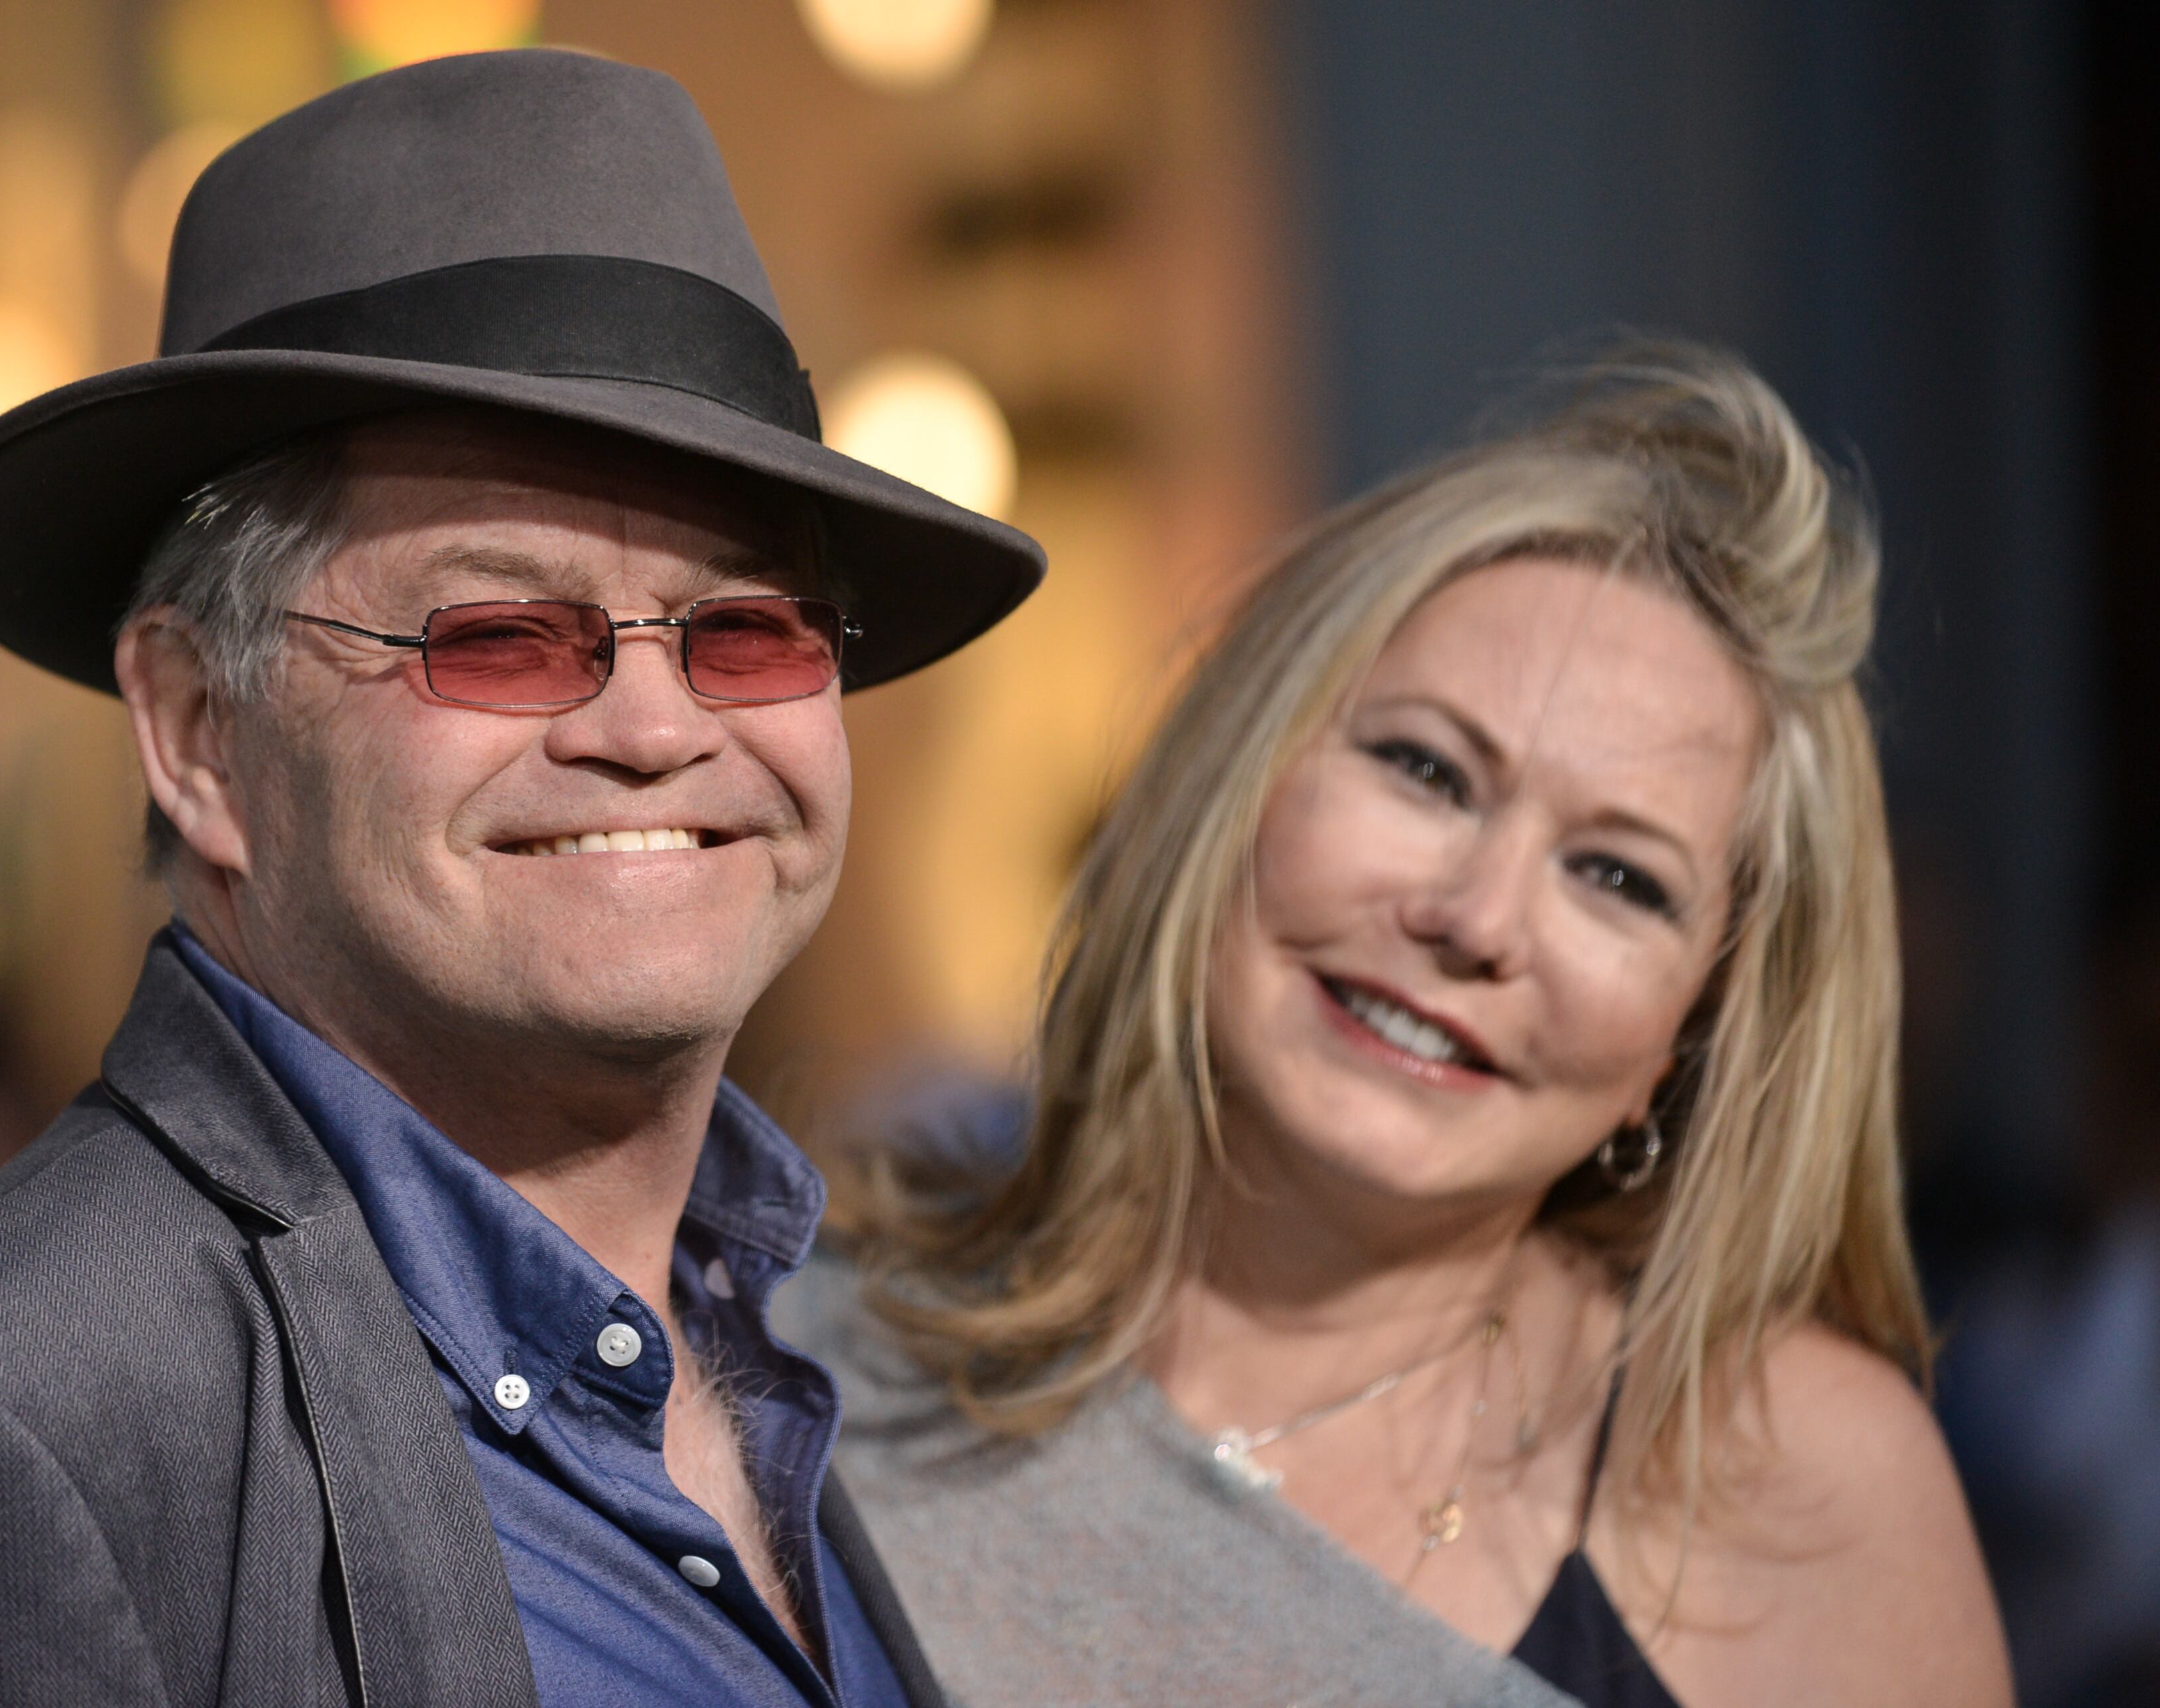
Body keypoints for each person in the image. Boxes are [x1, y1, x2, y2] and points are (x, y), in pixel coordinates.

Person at [0, 49, 1042, 1707]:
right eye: (500, 633)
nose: (658, 725)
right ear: (199, 728)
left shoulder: (875, 1372)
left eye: (746, 629)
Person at [780, 348, 2013, 1708]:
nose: (1477, 918)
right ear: (1242, 777)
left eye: (1618, 878)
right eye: (1426, 769)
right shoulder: (792, 1369)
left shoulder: (1797, 1484)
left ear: (1689, 1033)